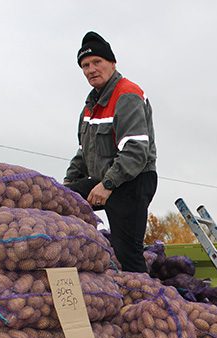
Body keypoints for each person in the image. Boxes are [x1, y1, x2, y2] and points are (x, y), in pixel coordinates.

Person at [63, 31, 158, 272]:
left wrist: (107, 185)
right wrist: (65, 186)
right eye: (85, 65)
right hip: (104, 179)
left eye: (97, 62)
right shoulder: (91, 105)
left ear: (112, 63)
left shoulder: (127, 94)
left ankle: (142, 292)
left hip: (132, 180)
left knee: (127, 254)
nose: (91, 69)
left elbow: (135, 151)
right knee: (60, 202)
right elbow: (83, 152)